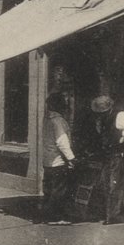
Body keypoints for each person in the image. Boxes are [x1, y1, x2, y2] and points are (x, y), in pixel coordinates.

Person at [91, 95, 124, 225]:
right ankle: (109, 213)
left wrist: (122, 138)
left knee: (115, 184)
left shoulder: (120, 115)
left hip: (119, 154)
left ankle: (113, 216)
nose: (101, 115)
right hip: (109, 154)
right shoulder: (103, 119)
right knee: (105, 183)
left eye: (103, 112)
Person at [41, 93, 76, 224]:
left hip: (48, 160)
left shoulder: (47, 119)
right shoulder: (58, 121)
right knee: (59, 191)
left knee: (49, 190)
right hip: (58, 161)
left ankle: (47, 215)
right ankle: (56, 217)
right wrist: (71, 158)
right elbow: (62, 142)